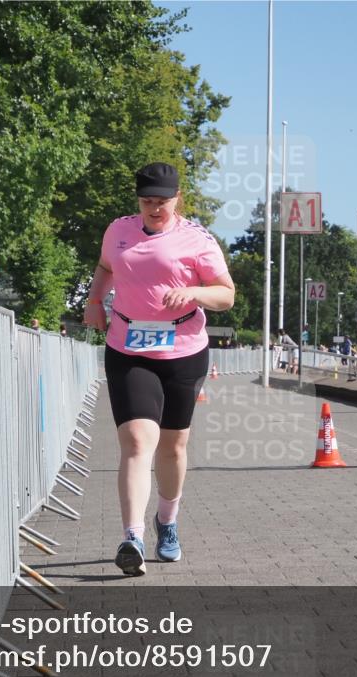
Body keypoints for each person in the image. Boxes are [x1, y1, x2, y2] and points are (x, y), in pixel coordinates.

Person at [83, 162, 235, 575]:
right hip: (128, 346)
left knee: (173, 446)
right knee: (136, 440)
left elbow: (226, 295)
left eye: (162, 202)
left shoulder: (198, 240)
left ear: (177, 199)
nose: (154, 209)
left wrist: (193, 291)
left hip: (183, 349)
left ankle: (166, 522)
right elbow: (105, 268)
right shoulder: (118, 231)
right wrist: (95, 300)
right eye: (147, 201)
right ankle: (131, 537)